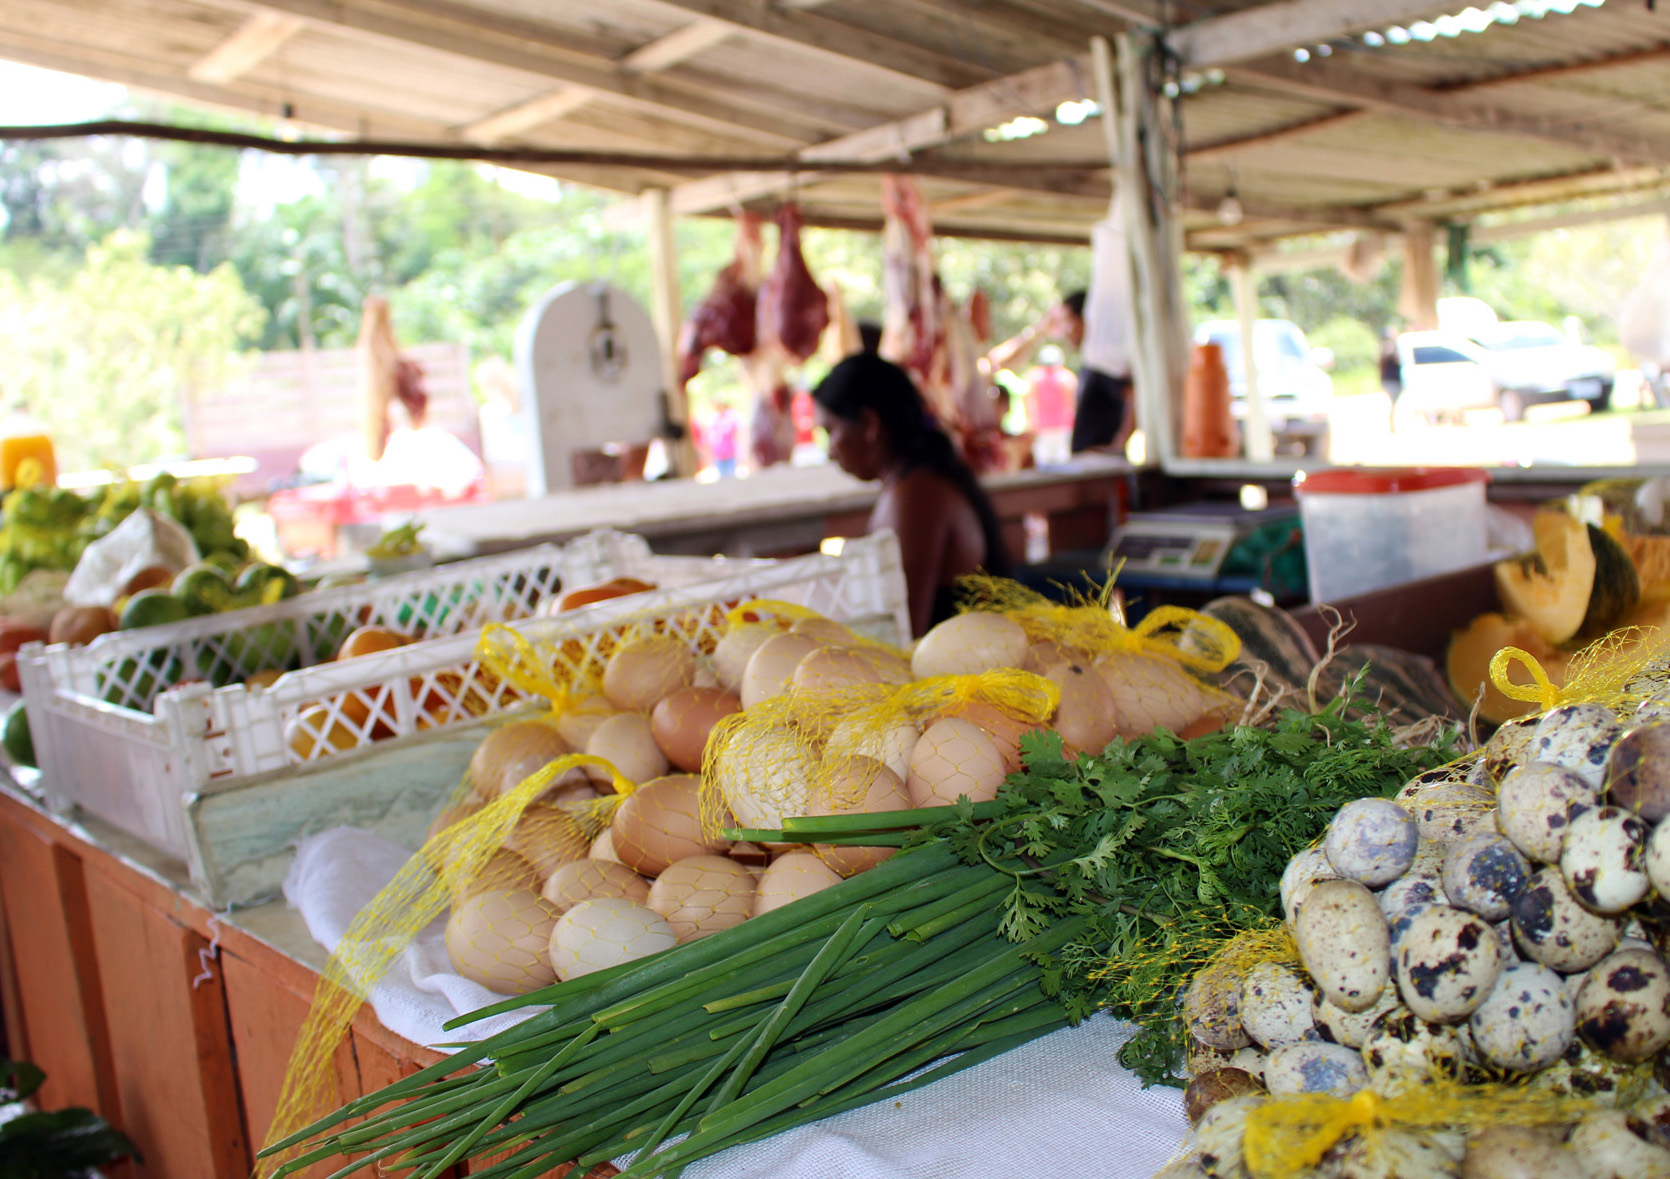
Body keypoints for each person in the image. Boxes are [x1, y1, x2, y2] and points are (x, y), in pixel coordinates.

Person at [812, 352, 1011, 637]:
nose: (829, 451)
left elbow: (903, 633)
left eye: (831, 430)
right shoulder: (915, 485)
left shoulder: (915, 497)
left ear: (870, 424)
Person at [987, 291, 1133, 454]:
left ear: (1084, 319)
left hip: (1101, 468)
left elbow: (1132, 395)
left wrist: (1118, 446)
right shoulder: (1089, 364)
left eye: (1068, 321)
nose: (1065, 331)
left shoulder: (1104, 360)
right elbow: (993, 364)